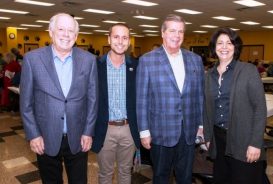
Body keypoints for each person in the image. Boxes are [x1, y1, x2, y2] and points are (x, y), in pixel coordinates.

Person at [20, 13, 98, 184]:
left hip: (78, 138)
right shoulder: (32, 60)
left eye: (71, 31)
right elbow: (26, 103)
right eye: (61, 29)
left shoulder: (89, 60)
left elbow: (93, 100)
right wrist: (33, 135)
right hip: (45, 138)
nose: (66, 34)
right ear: (51, 32)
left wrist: (88, 131)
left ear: (76, 36)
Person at [136, 14, 205, 184]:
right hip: (160, 131)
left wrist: (201, 125)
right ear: (163, 33)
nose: (177, 35)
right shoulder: (147, 60)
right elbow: (141, 99)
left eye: (180, 31)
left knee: (186, 176)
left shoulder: (195, 60)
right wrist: (144, 132)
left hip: (188, 131)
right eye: (172, 30)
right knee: (161, 176)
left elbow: (200, 96)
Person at [203, 27, 267, 184]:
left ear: (235, 47)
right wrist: (208, 136)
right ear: (214, 47)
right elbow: (207, 109)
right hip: (218, 139)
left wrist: (255, 143)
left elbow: (260, 109)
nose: (224, 47)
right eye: (220, 43)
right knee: (222, 179)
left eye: (229, 43)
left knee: (243, 178)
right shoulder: (209, 75)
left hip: (243, 139)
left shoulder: (248, 70)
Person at [91, 23, 140, 184]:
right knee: (105, 174)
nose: (120, 41)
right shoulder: (96, 66)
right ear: (109, 38)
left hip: (129, 129)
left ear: (129, 41)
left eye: (125, 37)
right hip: (105, 129)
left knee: (126, 172)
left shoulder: (137, 66)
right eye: (116, 36)